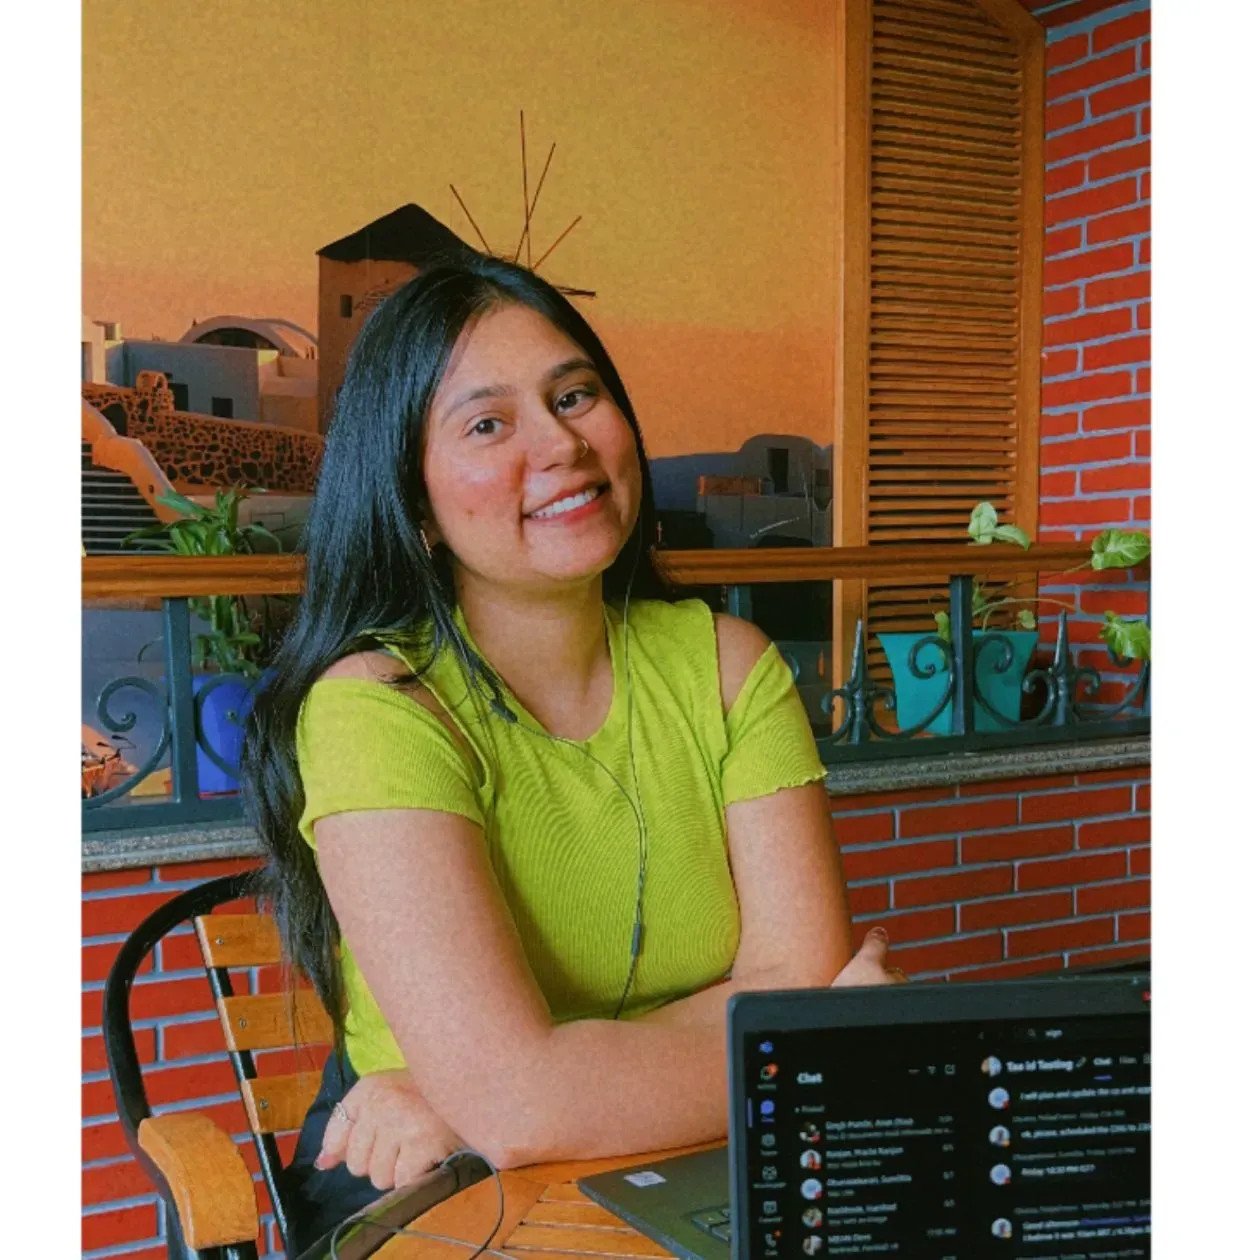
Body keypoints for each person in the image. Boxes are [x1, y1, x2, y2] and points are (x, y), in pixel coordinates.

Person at [243, 251, 901, 1251]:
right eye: (487, 423)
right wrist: (803, 1053)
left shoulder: (729, 666)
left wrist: (491, 1092)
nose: (561, 444)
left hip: (694, 1155)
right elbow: (524, 1102)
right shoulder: (379, 708)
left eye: (574, 395)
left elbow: (798, 973)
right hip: (435, 1187)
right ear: (412, 502)